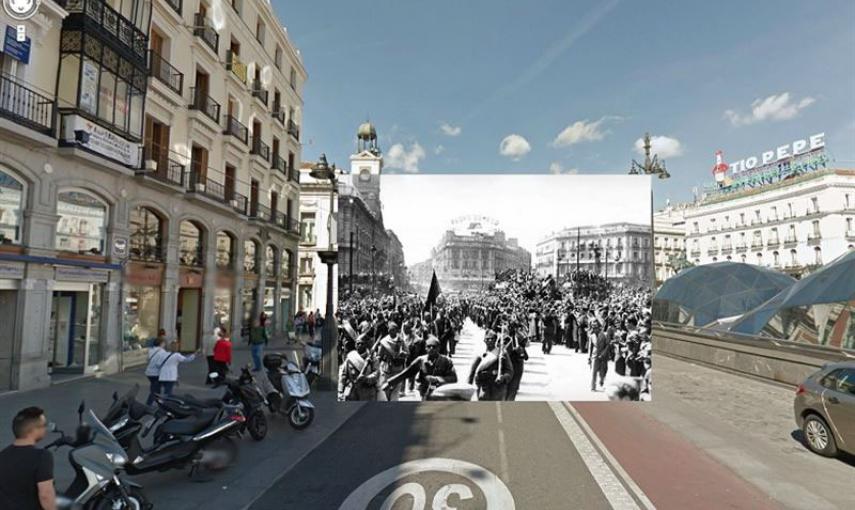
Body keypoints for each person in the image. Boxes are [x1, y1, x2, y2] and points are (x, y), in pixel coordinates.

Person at [0, 407, 55, 510]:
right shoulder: (42, 456)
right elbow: (46, 495)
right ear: (34, 430)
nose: (46, 429)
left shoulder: (2, 456)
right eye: (44, 425)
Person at [384, 336, 457, 400]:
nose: (431, 349)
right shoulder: (421, 360)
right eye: (429, 346)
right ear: (425, 348)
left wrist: (437, 379)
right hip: (424, 392)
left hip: (441, 392)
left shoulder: (446, 361)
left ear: (439, 348)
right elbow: (406, 373)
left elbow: (454, 378)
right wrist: (389, 383)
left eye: (434, 347)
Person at [468, 330, 513, 401]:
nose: (489, 341)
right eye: (487, 339)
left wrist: (503, 377)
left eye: (492, 339)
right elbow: (471, 374)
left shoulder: (502, 353)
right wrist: (467, 391)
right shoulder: (480, 355)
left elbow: (510, 371)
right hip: (483, 389)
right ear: (484, 340)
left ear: (495, 340)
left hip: (498, 390)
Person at [338, 335, 379, 401]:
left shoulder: (373, 357)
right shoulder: (350, 357)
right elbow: (343, 376)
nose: (359, 345)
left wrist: (366, 379)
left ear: (366, 345)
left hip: (368, 391)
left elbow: (376, 373)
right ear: (355, 345)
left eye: (362, 343)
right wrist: (340, 391)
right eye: (358, 343)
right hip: (353, 391)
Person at [376, 322, 408, 401]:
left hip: (398, 369)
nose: (391, 331)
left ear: (396, 330)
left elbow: (407, 353)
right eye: (389, 330)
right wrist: (377, 367)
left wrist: (404, 354)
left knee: (396, 390)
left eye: (393, 330)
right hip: (386, 369)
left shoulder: (401, 340)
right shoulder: (384, 342)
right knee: (385, 388)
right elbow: (379, 356)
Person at [144, 336, 169, 405]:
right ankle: (148, 405)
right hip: (156, 373)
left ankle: (158, 403)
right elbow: (160, 364)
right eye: (164, 343)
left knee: (155, 388)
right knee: (155, 391)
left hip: (149, 373)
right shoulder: (162, 352)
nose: (165, 344)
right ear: (161, 343)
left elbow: (147, 359)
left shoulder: (150, 350)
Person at [588, 321, 610, 391]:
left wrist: (603, 353)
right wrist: (589, 357)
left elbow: (607, 345)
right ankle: (593, 386)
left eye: (595, 327)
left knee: (603, 371)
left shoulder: (604, 334)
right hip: (595, 355)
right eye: (593, 327)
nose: (594, 329)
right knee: (593, 371)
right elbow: (590, 347)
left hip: (603, 355)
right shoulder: (592, 336)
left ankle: (602, 381)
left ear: (599, 327)